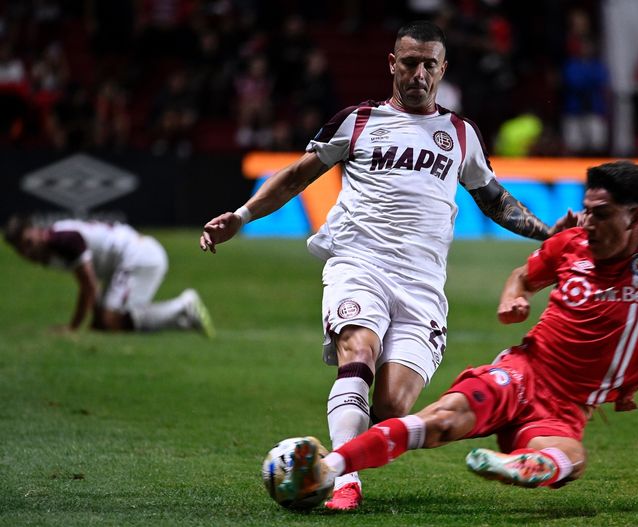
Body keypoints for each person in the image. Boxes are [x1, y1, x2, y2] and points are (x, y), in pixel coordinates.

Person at [199, 20, 573, 510]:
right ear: (392, 64)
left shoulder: (461, 135)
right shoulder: (357, 121)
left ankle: (339, 463)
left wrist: (548, 233)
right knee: (359, 349)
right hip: (359, 262)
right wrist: (243, 216)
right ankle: (344, 484)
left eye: (429, 64)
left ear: (442, 70)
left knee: (394, 405)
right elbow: (294, 177)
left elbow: (494, 199)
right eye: (410, 62)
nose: (419, 73)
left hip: (422, 285)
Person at [274, 161, 638, 506]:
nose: (589, 224)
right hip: (523, 370)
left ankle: (526, 464)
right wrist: (514, 295)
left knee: (573, 457)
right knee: (441, 419)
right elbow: (524, 274)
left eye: (602, 215)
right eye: (587, 211)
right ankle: (330, 468)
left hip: (568, 406)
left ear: (636, 217)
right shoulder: (570, 246)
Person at [4, 215, 214, 337]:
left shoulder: (63, 240)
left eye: (29, 243)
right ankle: (183, 320)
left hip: (139, 257)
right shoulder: (53, 243)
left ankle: (183, 306)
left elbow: (89, 284)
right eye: (22, 250)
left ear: (37, 230)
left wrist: (73, 327)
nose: (28, 253)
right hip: (126, 261)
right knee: (104, 324)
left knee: (110, 320)